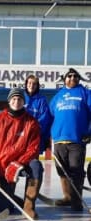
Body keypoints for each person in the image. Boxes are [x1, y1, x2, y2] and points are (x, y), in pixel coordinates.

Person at [0, 88, 42, 219]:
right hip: (1, 166)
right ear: (9, 101)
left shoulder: (31, 122)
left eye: (20, 99)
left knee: (36, 165)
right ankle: (10, 197)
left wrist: (18, 164)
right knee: (6, 207)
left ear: (23, 102)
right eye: (14, 99)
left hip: (21, 164)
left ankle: (28, 206)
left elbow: (33, 149)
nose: (17, 101)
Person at [49, 68, 91, 211]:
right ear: (64, 79)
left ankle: (76, 201)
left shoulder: (85, 93)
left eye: (75, 76)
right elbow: (49, 116)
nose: (72, 78)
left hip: (77, 140)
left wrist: (89, 132)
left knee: (76, 171)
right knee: (62, 171)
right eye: (69, 76)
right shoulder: (58, 96)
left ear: (79, 79)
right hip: (59, 140)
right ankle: (67, 197)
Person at [24, 74, 52, 156]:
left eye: (34, 84)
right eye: (29, 83)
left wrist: (33, 128)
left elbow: (45, 118)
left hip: (34, 137)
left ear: (37, 86)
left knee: (33, 163)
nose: (31, 85)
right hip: (20, 137)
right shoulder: (20, 97)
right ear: (26, 84)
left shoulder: (42, 100)